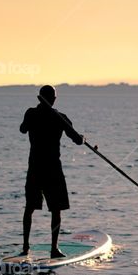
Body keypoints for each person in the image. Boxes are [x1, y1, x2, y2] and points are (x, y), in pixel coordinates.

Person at [19, 85, 84, 258]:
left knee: (31, 208)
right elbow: (77, 140)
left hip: (36, 168)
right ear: (52, 99)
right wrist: (83, 138)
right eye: (53, 97)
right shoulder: (57, 117)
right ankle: (51, 249)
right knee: (54, 209)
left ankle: (27, 247)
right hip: (51, 169)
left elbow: (23, 128)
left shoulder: (35, 114)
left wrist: (80, 138)